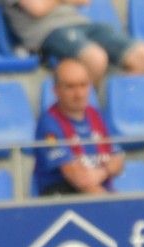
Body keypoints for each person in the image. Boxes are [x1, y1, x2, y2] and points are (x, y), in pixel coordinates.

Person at [2, 0, 144, 83]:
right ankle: (84, 115)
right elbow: (37, 8)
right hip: (48, 32)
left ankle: (112, 105)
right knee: (96, 58)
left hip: (81, 24)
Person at [32, 58, 123, 196]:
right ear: (56, 90)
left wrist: (100, 173)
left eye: (83, 85)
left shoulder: (96, 115)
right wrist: (112, 203)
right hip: (65, 201)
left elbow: (118, 160)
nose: (79, 94)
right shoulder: (49, 124)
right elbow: (80, 179)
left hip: (101, 194)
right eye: (70, 87)